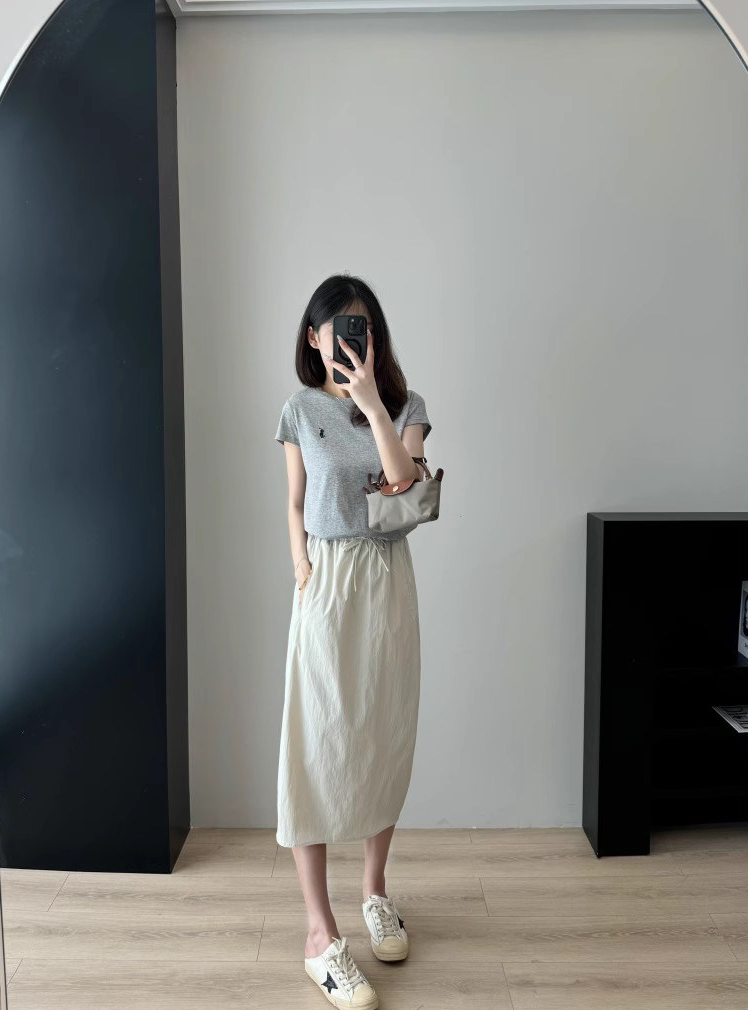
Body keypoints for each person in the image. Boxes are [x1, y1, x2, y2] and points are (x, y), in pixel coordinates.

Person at [274, 274, 432, 1009]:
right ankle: (319, 934)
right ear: (314, 337)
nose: (350, 336)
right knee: (314, 743)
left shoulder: (406, 405)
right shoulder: (298, 409)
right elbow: (295, 501)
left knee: (383, 733)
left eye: (362, 324)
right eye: (337, 325)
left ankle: (375, 892)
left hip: (387, 580)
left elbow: (406, 489)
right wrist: (302, 567)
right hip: (327, 580)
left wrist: (372, 405)